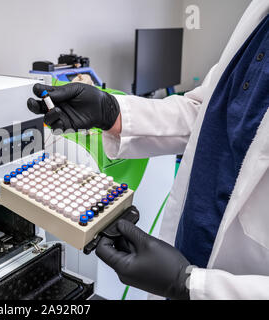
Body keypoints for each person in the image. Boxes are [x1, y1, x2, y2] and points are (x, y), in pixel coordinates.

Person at [27, 0, 269, 300]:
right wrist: (111, 112)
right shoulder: (260, 13)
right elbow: (205, 111)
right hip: (188, 250)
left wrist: (189, 284)